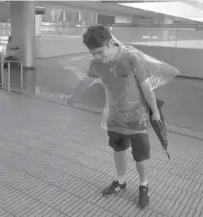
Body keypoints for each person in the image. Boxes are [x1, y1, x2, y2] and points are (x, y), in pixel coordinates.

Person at [67, 25, 160, 208]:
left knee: (141, 155)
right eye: (93, 53)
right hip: (114, 118)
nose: (97, 57)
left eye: (100, 52)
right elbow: (85, 81)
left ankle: (143, 185)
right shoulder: (97, 64)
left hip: (137, 118)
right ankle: (120, 181)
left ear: (110, 43)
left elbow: (146, 87)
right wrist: (73, 98)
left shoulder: (131, 59)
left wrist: (155, 112)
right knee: (118, 150)